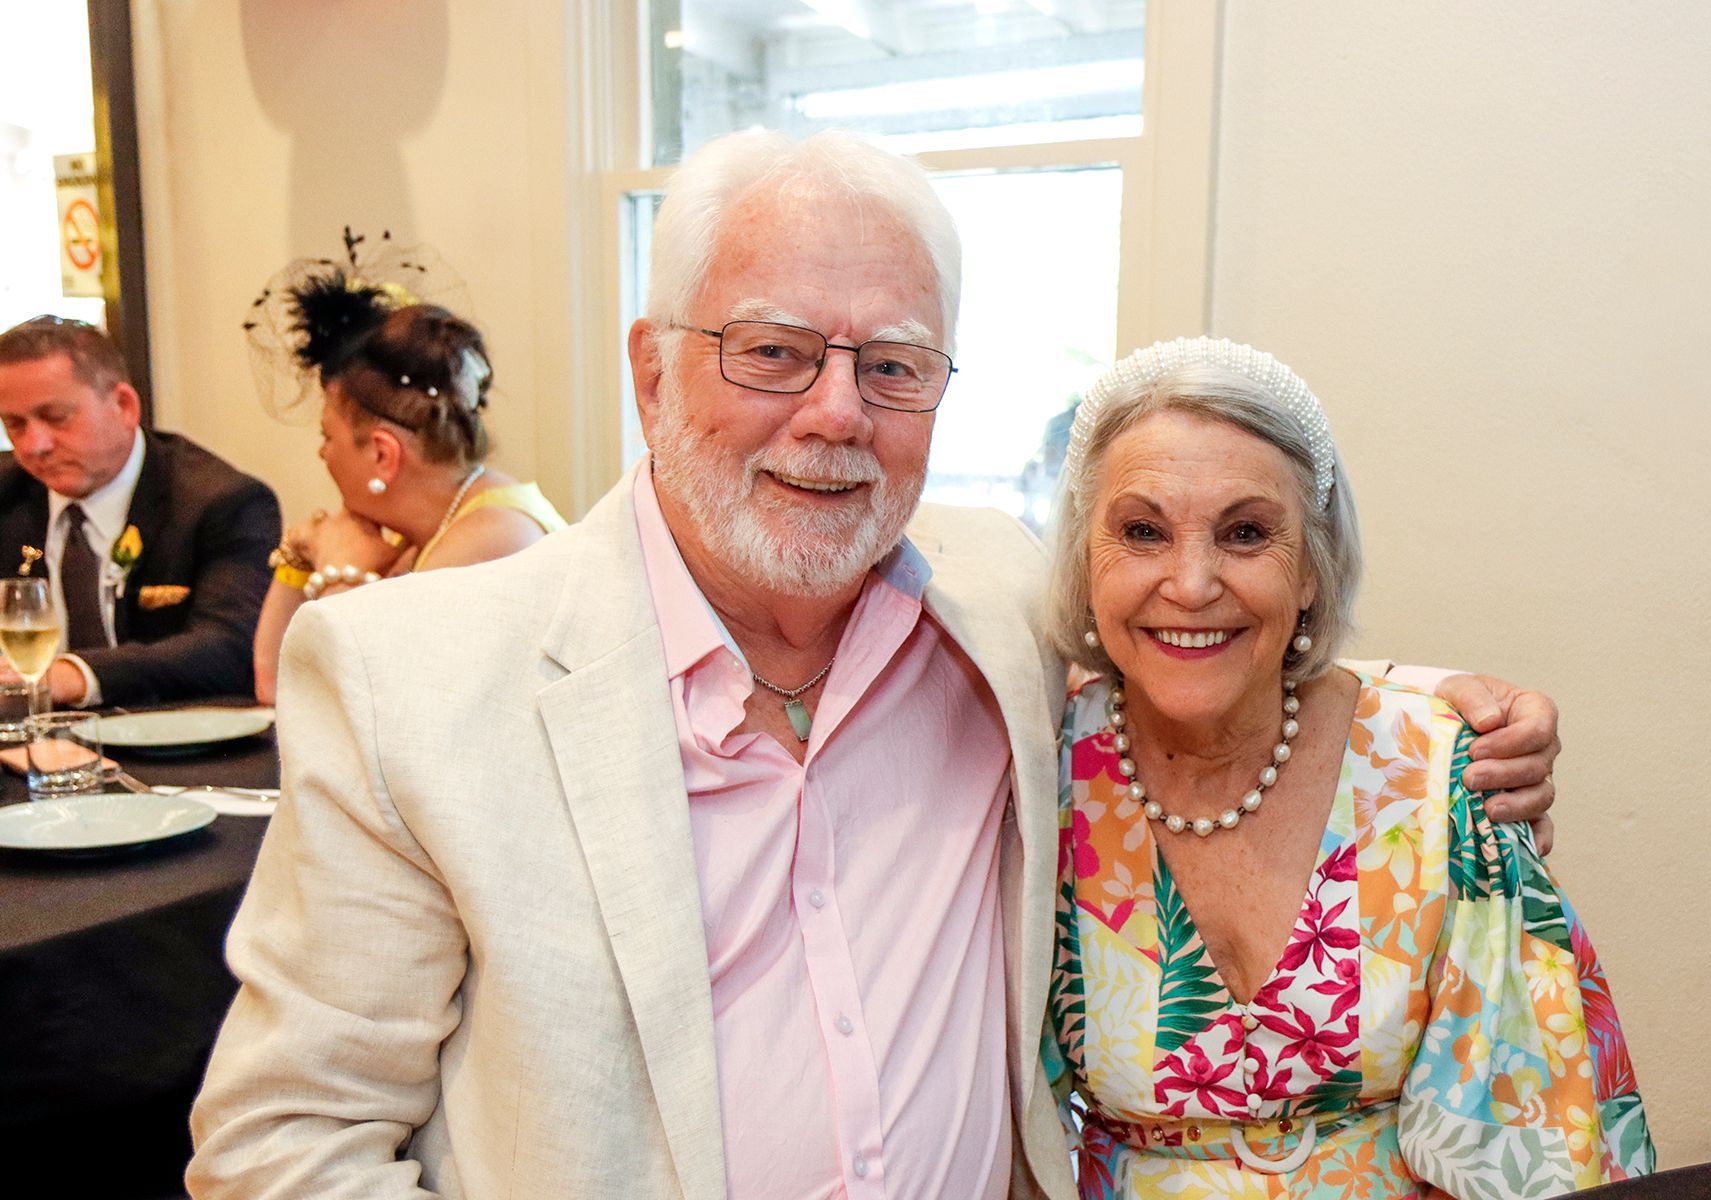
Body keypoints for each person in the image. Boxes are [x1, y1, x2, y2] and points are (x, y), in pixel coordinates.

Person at [188, 132, 1561, 1200]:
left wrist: (1429, 717)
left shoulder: (996, 602)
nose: (836, 413)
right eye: (773, 351)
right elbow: (282, 1146)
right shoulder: (408, 682)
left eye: (894, 367)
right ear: (652, 373)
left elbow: (1194, 632)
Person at [1041, 338, 1653, 1198]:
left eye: (1246, 533)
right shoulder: (1038, 784)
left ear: (1312, 572)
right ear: (1084, 562)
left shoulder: (1443, 780)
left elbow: (1533, 1133)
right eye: (1142, 532)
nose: (1190, 582)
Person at [250, 288, 566, 704]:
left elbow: (344, 706)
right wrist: (298, 555)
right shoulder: (420, 532)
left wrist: (339, 570)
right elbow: (273, 684)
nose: (322, 452)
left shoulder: (490, 541)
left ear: (383, 454)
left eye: (328, 435)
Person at [0, 316, 280, 706]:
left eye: (55, 417)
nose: (34, 446)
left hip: (173, 746)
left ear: (124, 405)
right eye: (15, 425)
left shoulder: (222, 501)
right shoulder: (8, 494)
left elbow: (229, 646)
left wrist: (75, 676)